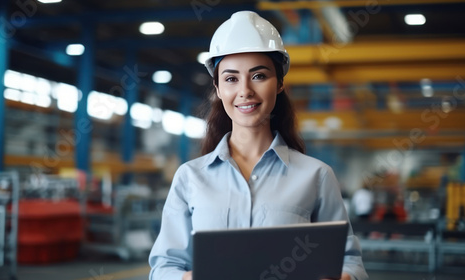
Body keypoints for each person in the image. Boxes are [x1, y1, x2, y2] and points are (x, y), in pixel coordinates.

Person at [148, 11, 368, 280]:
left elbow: (351, 263)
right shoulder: (190, 177)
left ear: (279, 84)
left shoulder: (317, 176)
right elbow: (164, 268)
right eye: (231, 79)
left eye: (259, 76)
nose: (245, 91)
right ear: (218, 89)